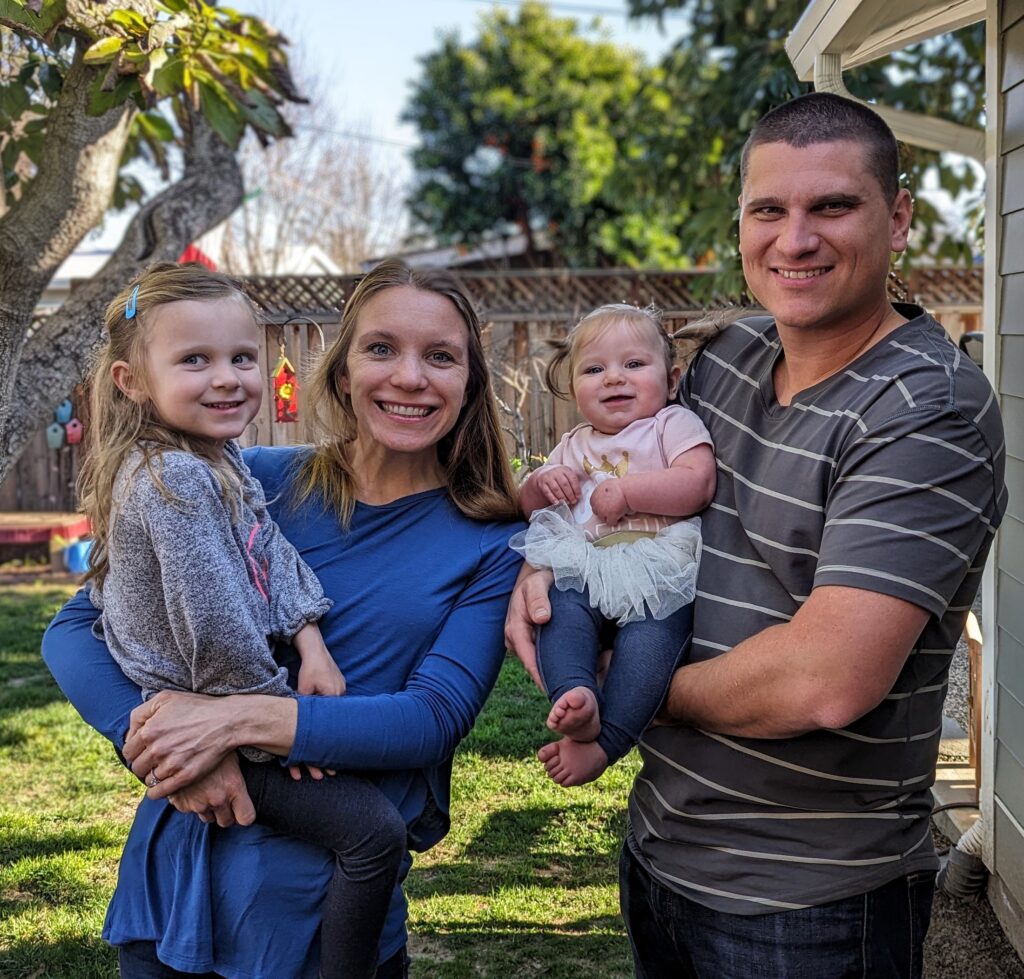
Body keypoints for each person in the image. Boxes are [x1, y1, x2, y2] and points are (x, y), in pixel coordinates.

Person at [506, 92, 1007, 978]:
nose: (795, 238)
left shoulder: (926, 410)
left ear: (898, 220)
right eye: (768, 209)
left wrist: (629, 690)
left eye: (833, 206)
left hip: (807, 902)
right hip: (663, 843)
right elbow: (632, 487)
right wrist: (553, 571)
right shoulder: (727, 361)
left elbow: (824, 681)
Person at [43, 258, 523, 978]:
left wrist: (236, 722)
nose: (410, 377)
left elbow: (430, 718)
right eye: (381, 348)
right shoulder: (248, 476)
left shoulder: (490, 541)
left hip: (326, 921)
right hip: (176, 891)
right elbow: (76, 629)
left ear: (470, 382)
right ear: (341, 369)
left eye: (442, 356)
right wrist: (172, 755)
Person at [77, 261, 408, 979]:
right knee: (374, 834)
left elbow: (269, 549)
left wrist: (310, 636)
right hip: (208, 717)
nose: (227, 377)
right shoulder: (172, 480)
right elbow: (219, 628)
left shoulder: (216, 458)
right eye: (195, 360)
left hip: (230, 710)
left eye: (241, 357)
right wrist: (276, 727)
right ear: (133, 381)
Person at [511, 304, 714, 786]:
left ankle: (608, 742)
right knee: (559, 615)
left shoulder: (672, 424)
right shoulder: (573, 443)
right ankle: (576, 696)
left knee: (652, 644)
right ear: (574, 386)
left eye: (633, 364)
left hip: (656, 565)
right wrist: (543, 481)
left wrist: (628, 492)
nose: (612, 378)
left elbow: (698, 482)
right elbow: (528, 507)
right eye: (594, 369)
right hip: (588, 563)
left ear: (671, 381)